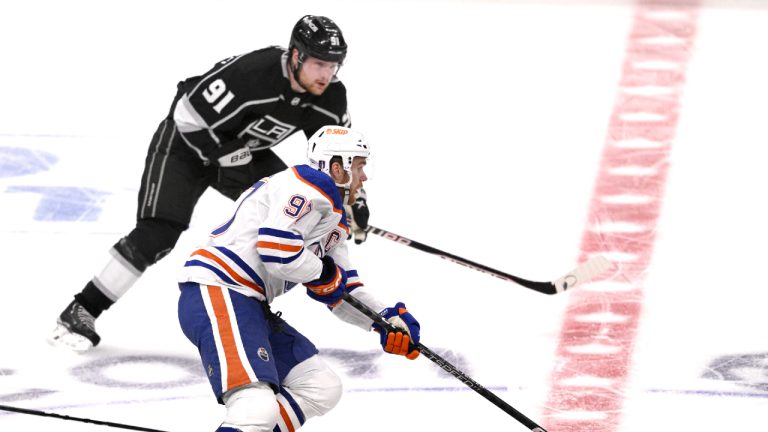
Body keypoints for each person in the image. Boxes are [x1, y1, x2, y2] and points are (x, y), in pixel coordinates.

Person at [48, 15, 371, 352]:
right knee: (157, 233)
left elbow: (341, 156)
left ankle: (250, 306)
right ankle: (81, 309)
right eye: (319, 63)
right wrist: (223, 154)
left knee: (289, 215)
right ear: (296, 56)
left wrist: (353, 201)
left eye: (333, 65)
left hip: (244, 153)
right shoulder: (254, 73)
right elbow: (186, 113)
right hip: (186, 146)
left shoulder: (331, 95)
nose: (326, 74)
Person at [177, 126, 421, 431]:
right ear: (337, 167)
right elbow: (277, 248)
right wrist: (322, 274)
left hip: (246, 301)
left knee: (320, 386)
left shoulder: (331, 216)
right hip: (219, 290)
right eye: (359, 166)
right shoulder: (309, 186)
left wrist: (385, 320)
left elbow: (340, 289)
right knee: (256, 407)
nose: (364, 176)